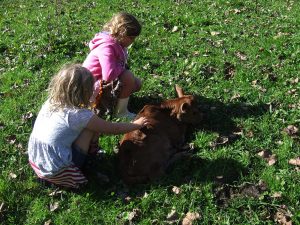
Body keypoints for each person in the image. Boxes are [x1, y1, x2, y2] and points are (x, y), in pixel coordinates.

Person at [28, 64, 149, 189]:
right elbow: (113, 128)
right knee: (92, 128)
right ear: (85, 93)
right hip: (57, 169)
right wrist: (136, 125)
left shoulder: (50, 102)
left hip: (38, 159)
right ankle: (89, 161)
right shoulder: (80, 115)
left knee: (85, 127)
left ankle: (52, 174)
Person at [82, 12, 142, 119]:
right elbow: (109, 75)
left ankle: (114, 102)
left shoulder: (117, 43)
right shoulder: (107, 46)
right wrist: (122, 69)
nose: (133, 41)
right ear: (122, 34)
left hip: (101, 83)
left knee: (136, 83)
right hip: (90, 90)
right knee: (127, 77)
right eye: (132, 38)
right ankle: (120, 112)